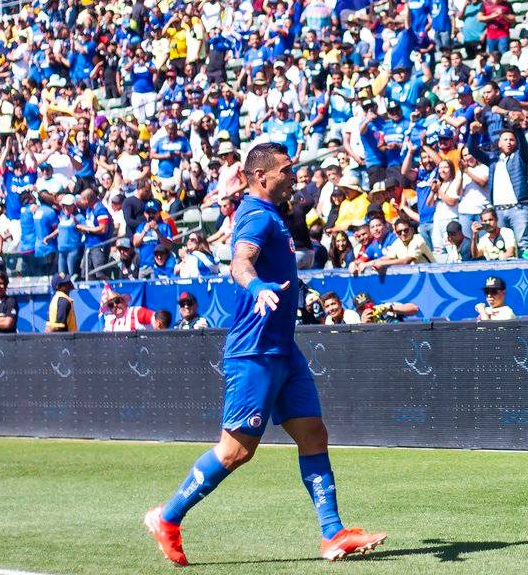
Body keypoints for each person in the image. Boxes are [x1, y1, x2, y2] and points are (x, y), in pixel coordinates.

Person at [146, 142, 387, 566]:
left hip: (283, 349)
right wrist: (255, 286)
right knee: (235, 451)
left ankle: (333, 534)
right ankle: (167, 519)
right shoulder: (255, 215)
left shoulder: (275, 214)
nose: (294, 176)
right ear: (260, 175)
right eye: (286, 170)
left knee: (314, 435)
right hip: (253, 350)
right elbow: (240, 262)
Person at [351, 292, 421, 323]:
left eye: (369, 305)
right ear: (358, 311)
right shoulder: (357, 322)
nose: (367, 309)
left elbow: (415, 308)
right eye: (362, 308)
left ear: (373, 302)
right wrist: (363, 326)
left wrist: (390, 308)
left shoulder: (385, 307)